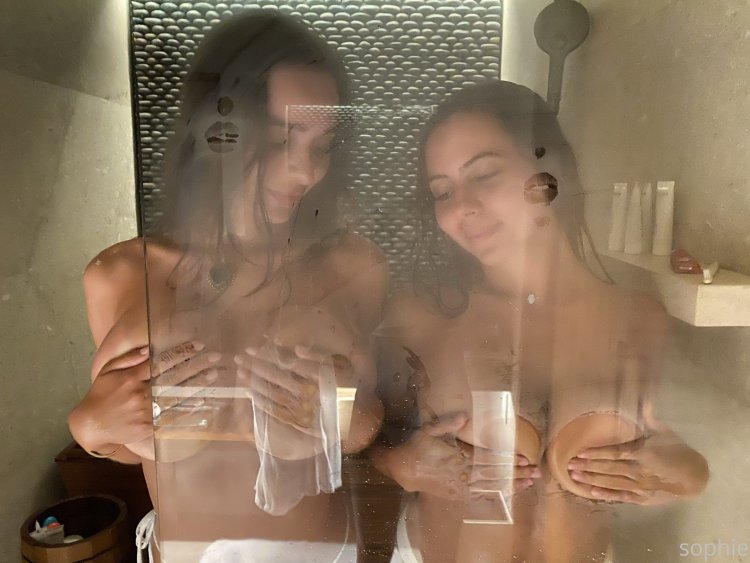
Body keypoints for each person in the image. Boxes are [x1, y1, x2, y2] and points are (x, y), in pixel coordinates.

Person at [68, 10, 388, 562]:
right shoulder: (121, 273)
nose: (306, 171)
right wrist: (91, 426)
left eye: (323, 145)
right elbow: (134, 441)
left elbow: (367, 428)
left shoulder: (353, 266)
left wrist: (340, 412)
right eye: (280, 138)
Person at [372, 81, 708, 562]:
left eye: (485, 174)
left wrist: (689, 475)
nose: (462, 207)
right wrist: (400, 464)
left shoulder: (637, 316)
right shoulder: (421, 315)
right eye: (441, 191)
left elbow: (694, 441)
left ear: (550, 173)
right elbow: (352, 429)